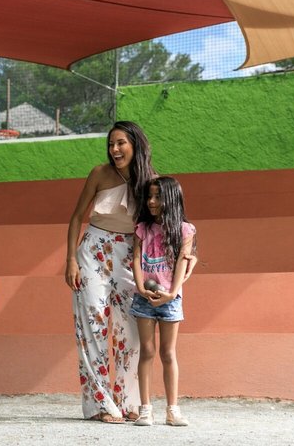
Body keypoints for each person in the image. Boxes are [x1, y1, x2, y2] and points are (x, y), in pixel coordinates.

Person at [65, 121, 158, 423]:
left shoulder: (152, 181)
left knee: (132, 329)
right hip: (93, 249)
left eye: (121, 143)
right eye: (110, 144)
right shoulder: (99, 173)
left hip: (130, 255)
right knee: (92, 325)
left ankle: (127, 399)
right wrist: (71, 260)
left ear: (136, 144)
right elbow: (76, 217)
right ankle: (100, 404)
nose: (114, 149)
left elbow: (160, 228)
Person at [130, 176, 196, 427]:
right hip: (144, 299)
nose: (151, 201)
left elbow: (182, 261)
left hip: (171, 299)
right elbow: (136, 259)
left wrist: (172, 293)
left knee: (168, 353)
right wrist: (140, 288)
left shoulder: (185, 230)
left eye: (157, 197)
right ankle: (145, 409)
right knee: (146, 351)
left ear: (171, 198)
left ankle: (173, 410)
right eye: (149, 196)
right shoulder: (142, 228)